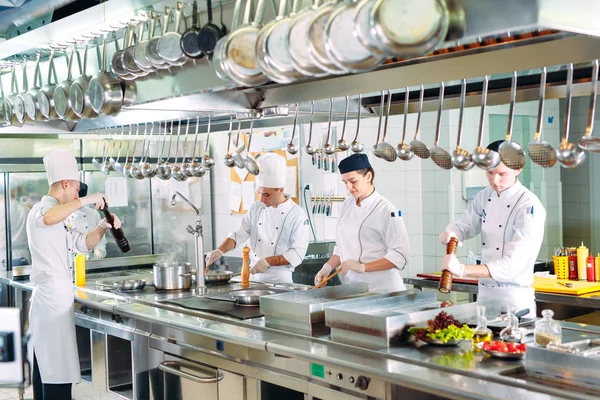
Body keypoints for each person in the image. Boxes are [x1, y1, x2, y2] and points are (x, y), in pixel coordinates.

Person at [27, 149, 122, 400]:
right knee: (54, 379)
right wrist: (87, 200)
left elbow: (82, 244)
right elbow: (47, 219)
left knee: (55, 377)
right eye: (77, 189)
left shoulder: (62, 216)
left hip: (59, 302)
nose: (77, 194)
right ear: (65, 183)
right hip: (49, 305)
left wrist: (103, 226)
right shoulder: (43, 209)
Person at [439, 140, 546, 317]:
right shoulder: (485, 195)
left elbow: (513, 265)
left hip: (515, 301)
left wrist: (463, 270)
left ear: (518, 169)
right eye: (490, 173)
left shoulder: (529, 206)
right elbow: (467, 224)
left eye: (502, 174)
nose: (495, 181)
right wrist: (453, 231)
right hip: (485, 297)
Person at [205, 153, 309, 283]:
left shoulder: (297, 215)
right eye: (259, 193)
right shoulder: (256, 207)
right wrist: (220, 250)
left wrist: (267, 262)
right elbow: (239, 234)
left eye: (266, 194)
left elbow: (297, 254)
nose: (261, 199)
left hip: (280, 282)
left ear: (280, 190)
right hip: (253, 279)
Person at [314, 154, 411, 293]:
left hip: (384, 289)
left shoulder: (387, 210)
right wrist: (327, 268)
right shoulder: (346, 205)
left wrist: (362, 267)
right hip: (355, 288)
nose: (348, 187)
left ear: (368, 176)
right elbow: (342, 247)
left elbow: (401, 255)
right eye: (345, 182)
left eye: (353, 181)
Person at [66, 182, 107, 259]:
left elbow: (100, 239)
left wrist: (99, 250)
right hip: (71, 261)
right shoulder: (65, 214)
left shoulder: (93, 214)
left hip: (91, 259)